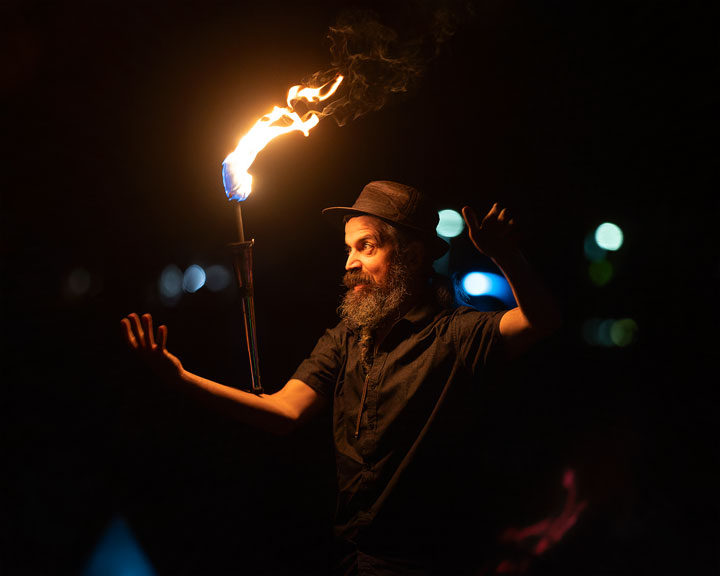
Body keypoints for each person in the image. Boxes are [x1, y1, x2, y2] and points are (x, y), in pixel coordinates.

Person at [121, 180, 562, 575]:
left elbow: (540, 320)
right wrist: (181, 379)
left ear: (409, 254)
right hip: (349, 558)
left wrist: (505, 255)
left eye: (365, 247)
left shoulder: (456, 335)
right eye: (348, 249)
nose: (348, 264)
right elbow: (283, 411)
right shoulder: (345, 339)